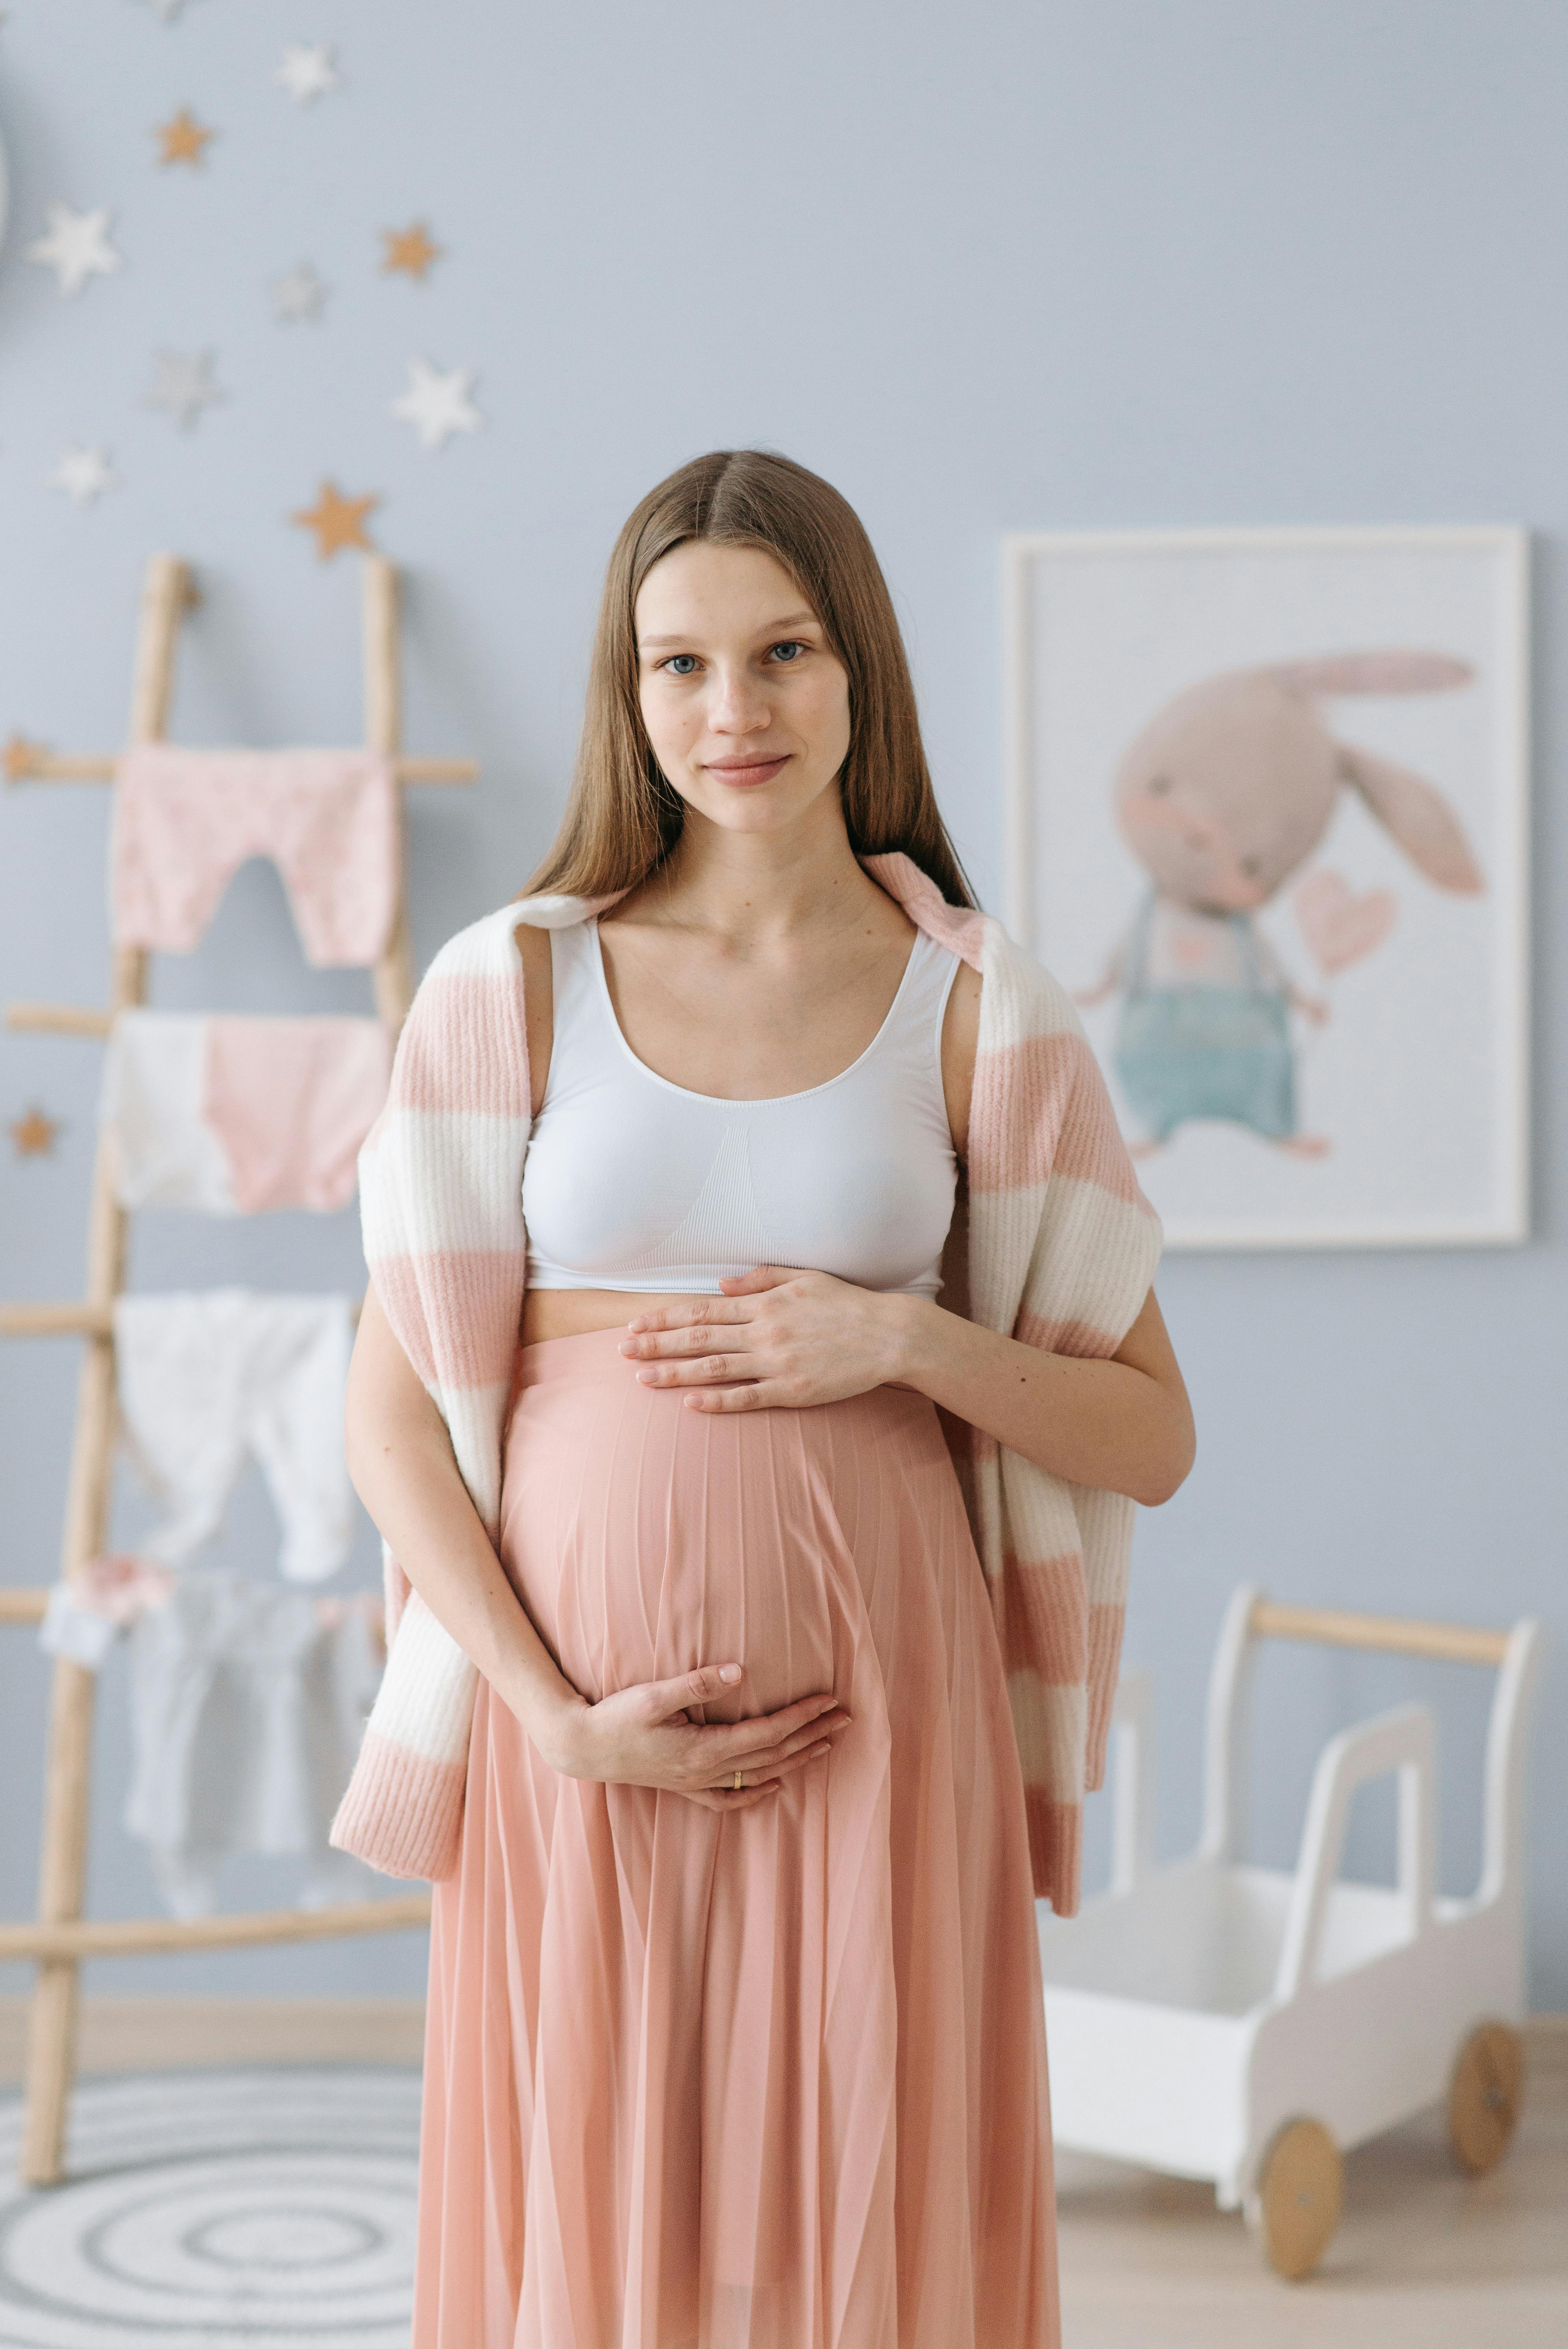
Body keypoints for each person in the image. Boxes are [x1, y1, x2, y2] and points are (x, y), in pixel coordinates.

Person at [342, 448, 1195, 2348]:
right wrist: (550, 1719)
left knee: (867, 2216)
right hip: (582, 1728)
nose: (731, 713)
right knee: (599, 2216)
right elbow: (388, 1418)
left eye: (783, 651)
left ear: (858, 671)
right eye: (679, 666)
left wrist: (905, 1343)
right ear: (625, 697)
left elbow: (1151, 1429)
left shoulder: (980, 1002)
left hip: (889, 1720)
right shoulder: (516, 986)